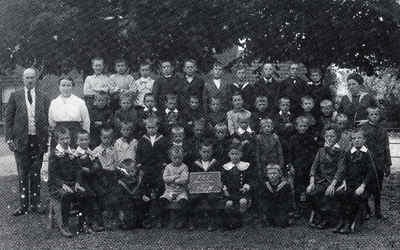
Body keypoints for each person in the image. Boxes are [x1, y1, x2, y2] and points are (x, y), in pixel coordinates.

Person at [5, 68, 50, 216]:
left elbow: (48, 117)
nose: (30, 80)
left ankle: (36, 204)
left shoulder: (43, 96)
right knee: (23, 174)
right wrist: (9, 138)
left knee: (36, 173)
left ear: (36, 79)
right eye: (27, 78)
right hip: (21, 141)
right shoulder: (15, 95)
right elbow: (8, 119)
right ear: (23, 79)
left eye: (32, 77)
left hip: (38, 140)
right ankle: (23, 206)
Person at [48, 126, 93, 237]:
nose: (65, 141)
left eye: (67, 138)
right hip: (57, 185)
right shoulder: (54, 154)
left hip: (72, 183)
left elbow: (78, 169)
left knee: (85, 193)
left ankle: (82, 224)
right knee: (67, 195)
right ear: (57, 140)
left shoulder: (72, 151)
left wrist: (77, 183)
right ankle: (65, 225)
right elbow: (52, 175)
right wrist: (62, 184)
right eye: (62, 139)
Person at [333, 128, 374, 234]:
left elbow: (371, 173)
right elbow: (344, 169)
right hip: (350, 183)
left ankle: (349, 222)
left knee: (356, 196)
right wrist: (344, 182)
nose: (356, 140)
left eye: (359, 138)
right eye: (354, 138)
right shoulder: (348, 153)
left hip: (364, 186)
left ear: (364, 139)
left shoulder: (368, 154)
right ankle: (342, 220)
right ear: (351, 140)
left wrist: (363, 185)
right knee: (340, 193)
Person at [306, 125, 345, 229]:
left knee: (330, 194)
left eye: (332, 136)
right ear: (324, 137)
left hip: (334, 181)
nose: (329, 138)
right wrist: (311, 182)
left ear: (337, 137)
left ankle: (326, 219)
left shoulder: (341, 152)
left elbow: (341, 170)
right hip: (322, 181)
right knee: (310, 193)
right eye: (327, 136)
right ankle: (324, 216)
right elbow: (313, 168)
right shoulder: (321, 150)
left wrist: (333, 185)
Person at [136, 117, 169, 228]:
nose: (151, 130)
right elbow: (138, 154)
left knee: (158, 192)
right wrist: (140, 167)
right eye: (149, 127)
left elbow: (165, 155)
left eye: (153, 127)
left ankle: (158, 218)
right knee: (147, 192)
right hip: (146, 170)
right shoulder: (143, 140)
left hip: (158, 170)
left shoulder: (162, 139)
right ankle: (148, 218)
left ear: (157, 127)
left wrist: (163, 167)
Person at [361, 107, 391, 219]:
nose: (374, 116)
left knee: (378, 186)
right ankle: (366, 208)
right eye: (372, 114)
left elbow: (386, 148)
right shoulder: (363, 128)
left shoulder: (383, 130)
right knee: (366, 184)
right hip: (366, 162)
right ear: (367, 116)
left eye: (376, 114)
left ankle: (378, 210)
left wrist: (388, 165)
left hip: (379, 163)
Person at [187, 141, 222, 231]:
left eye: (208, 152)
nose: (206, 154)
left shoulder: (215, 163)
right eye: (204, 152)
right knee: (192, 198)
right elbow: (192, 177)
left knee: (212, 198)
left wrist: (220, 183)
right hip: (199, 189)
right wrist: (190, 184)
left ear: (212, 152)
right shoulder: (196, 164)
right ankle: (192, 220)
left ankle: (212, 221)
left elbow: (219, 176)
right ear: (200, 152)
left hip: (211, 189)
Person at [288, 116, 318, 217]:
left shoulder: (310, 138)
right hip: (298, 167)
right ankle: (297, 208)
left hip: (308, 166)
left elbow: (314, 153)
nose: (303, 128)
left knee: (308, 187)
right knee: (297, 189)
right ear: (296, 127)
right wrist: (291, 166)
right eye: (300, 126)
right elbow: (290, 154)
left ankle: (308, 209)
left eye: (305, 126)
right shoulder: (293, 139)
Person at [48, 77, 90, 149]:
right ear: (59, 87)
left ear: (72, 87)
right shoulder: (54, 102)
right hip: (59, 131)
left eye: (68, 86)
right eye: (63, 85)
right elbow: (51, 121)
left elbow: (86, 120)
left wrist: (84, 137)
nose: (66, 88)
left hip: (75, 131)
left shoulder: (79, 102)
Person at [107, 158, 148, 230]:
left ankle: (142, 221)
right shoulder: (121, 182)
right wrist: (120, 210)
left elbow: (141, 188)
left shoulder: (138, 178)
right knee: (129, 226)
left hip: (137, 201)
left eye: (134, 170)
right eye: (130, 171)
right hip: (125, 204)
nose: (133, 173)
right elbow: (118, 198)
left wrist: (143, 195)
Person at [222, 143, 254, 230]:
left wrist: (247, 186)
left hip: (241, 192)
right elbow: (223, 181)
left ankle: (242, 220)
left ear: (241, 154)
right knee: (229, 204)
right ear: (229, 155)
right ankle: (231, 220)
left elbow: (251, 179)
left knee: (243, 202)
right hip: (230, 193)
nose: (234, 156)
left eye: (237, 154)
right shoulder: (226, 167)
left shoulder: (246, 166)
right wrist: (224, 188)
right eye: (232, 154)